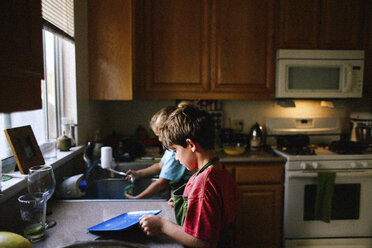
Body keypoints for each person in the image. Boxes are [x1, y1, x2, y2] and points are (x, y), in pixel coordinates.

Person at [139, 105, 240, 247]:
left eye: (175, 150)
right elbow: (215, 211)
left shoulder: (204, 183)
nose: (175, 158)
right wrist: (188, 205)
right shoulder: (221, 172)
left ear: (191, 144)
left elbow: (203, 242)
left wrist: (162, 225)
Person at [124, 105, 193, 199]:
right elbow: (160, 165)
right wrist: (139, 173)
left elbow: (161, 184)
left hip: (185, 193)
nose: (159, 139)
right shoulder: (171, 149)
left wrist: (138, 198)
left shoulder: (174, 153)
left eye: (160, 135)